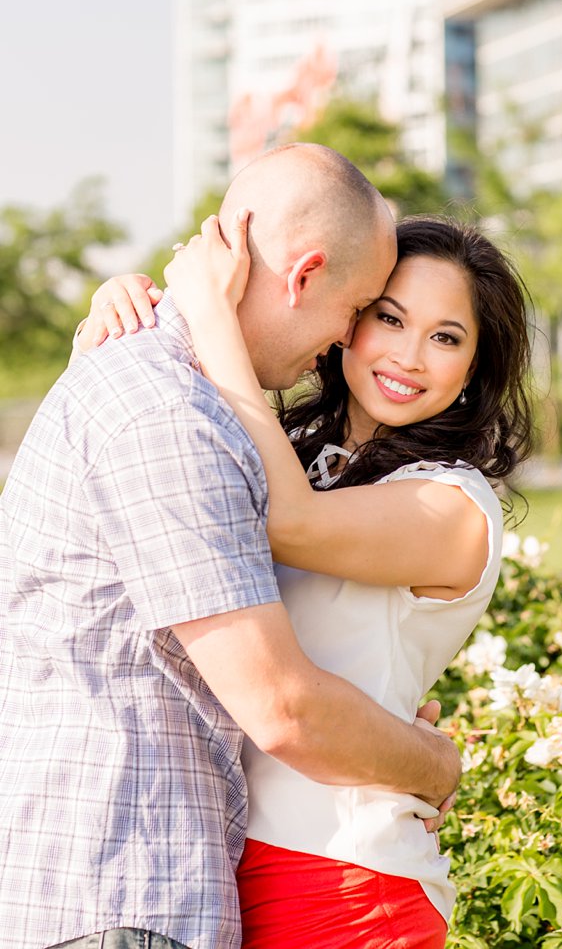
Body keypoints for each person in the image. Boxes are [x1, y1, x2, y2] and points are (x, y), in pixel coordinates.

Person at [0, 144, 462, 949]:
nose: (342, 340)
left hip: (119, 881)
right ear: (302, 274)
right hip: (128, 887)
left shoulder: (150, 381)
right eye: (361, 310)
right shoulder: (169, 416)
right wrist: (433, 762)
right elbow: (281, 705)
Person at [78, 209, 533, 947]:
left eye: (445, 337)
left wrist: (212, 312)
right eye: (389, 318)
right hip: (216, 854)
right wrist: (131, 310)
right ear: (347, 320)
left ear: (474, 368)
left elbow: (291, 523)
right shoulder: (295, 451)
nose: (410, 355)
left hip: (345, 879)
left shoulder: (453, 506)